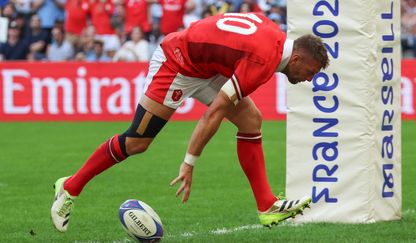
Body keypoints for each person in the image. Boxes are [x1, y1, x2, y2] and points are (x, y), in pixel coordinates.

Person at [51, 12, 329, 232]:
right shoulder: (263, 61)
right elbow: (214, 113)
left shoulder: (274, 35)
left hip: (205, 67)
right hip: (177, 63)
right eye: (310, 72)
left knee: (251, 120)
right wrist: (189, 162)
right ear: (296, 58)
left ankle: (267, 206)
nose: (309, 79)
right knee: (137, 142)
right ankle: (70, 186)